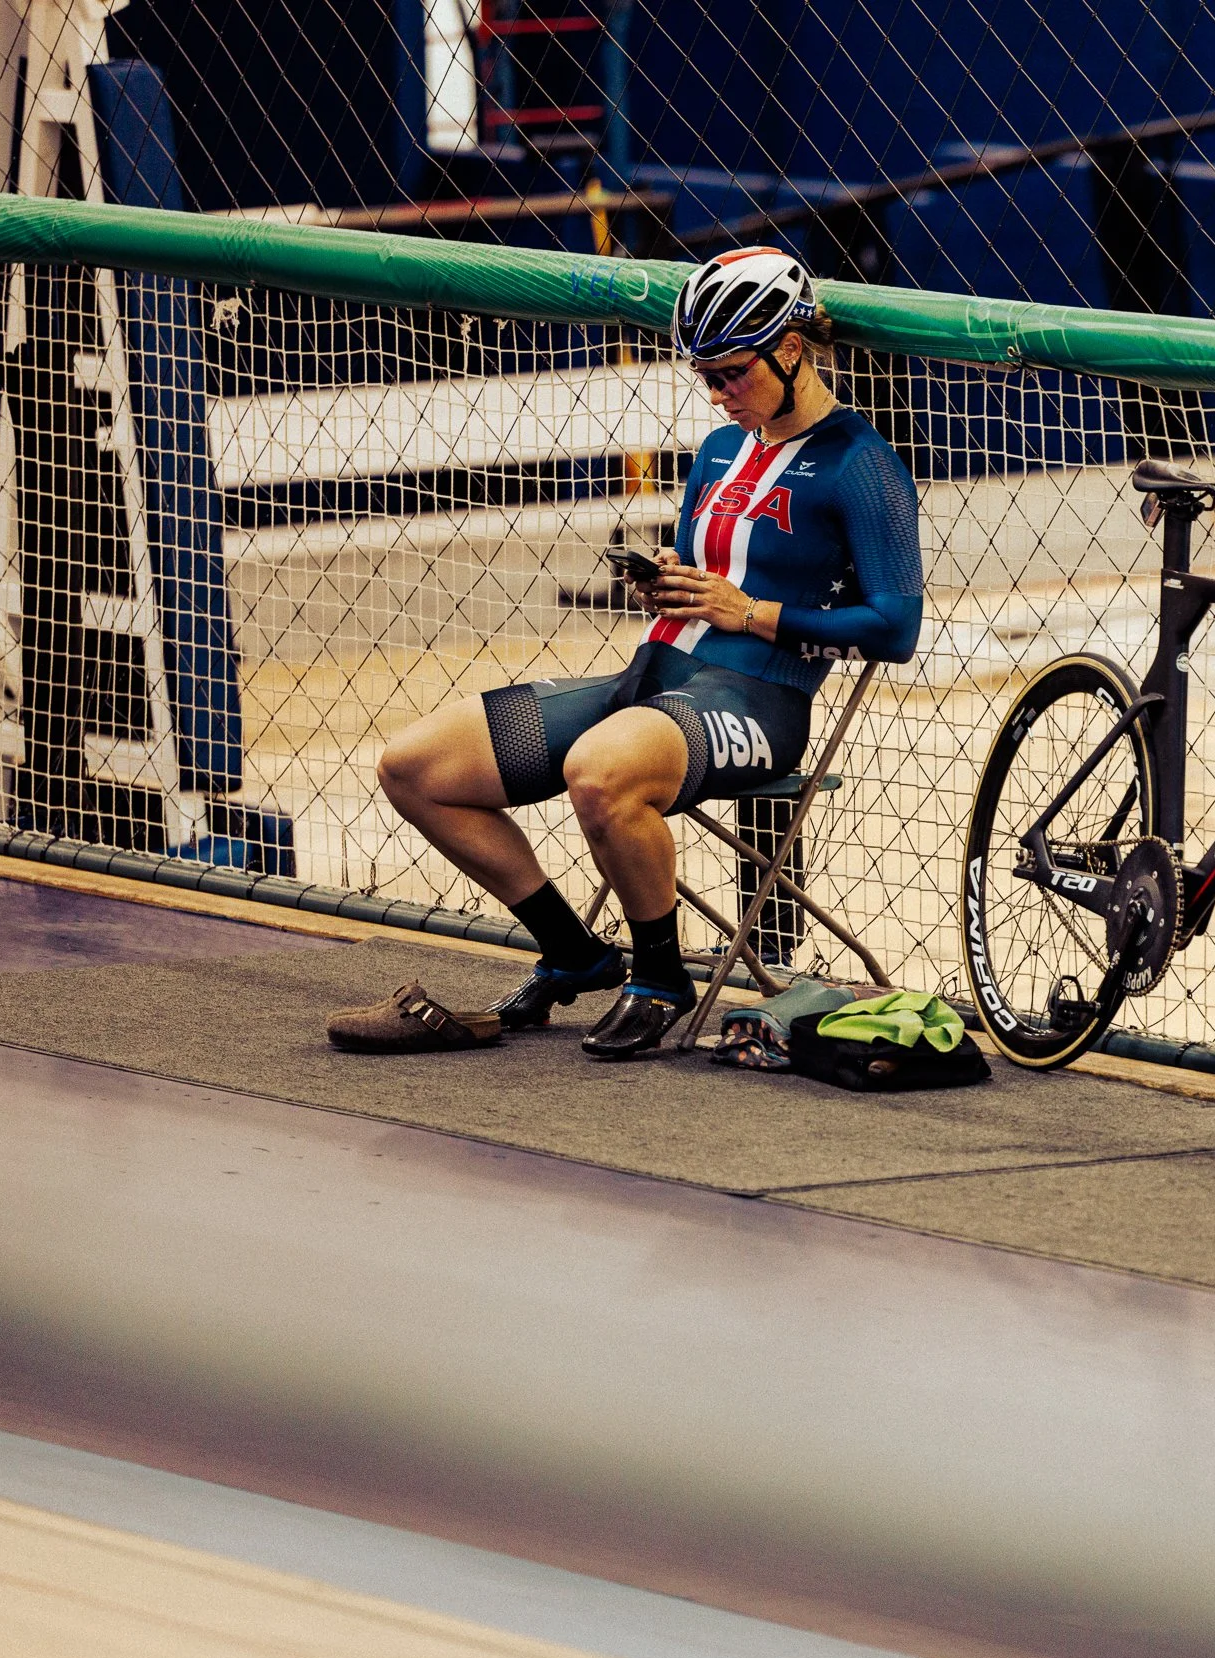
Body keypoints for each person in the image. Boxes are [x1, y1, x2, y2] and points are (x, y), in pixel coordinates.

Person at [371, 247, 923, 1058]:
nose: (718, 392)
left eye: (733, 373)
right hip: (652, 679)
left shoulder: (862, 466)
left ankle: (660, 975)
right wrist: (670, 582)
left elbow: (896, 628)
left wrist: (754, 612)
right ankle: (575, 951)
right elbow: (713, 574)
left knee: (598, 768)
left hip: (754, 701)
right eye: (705, 375)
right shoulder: (717, 452)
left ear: (792, 350)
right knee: (412, 767)